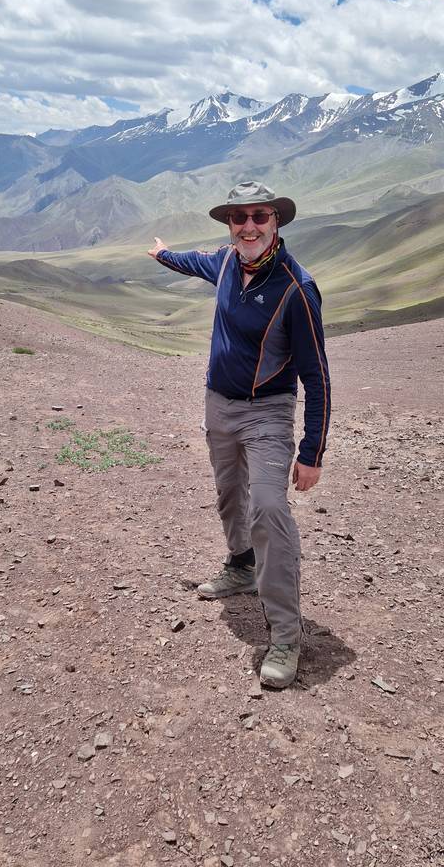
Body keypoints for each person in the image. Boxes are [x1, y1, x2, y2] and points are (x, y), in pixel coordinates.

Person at [148, 181, 331, 688]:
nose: (248, 225)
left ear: (276, 222)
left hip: (268, 413)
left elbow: (317, 374)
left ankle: (286, 634)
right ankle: (241, 564)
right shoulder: (227, 262)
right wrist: (163, 254)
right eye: (238, 217)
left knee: (269, 507)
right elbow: (192, 261)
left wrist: (312, 450)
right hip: (218, 405)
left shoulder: (297, 288)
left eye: (259, 216)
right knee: (230, 494)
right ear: (229, 225)